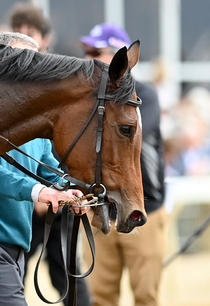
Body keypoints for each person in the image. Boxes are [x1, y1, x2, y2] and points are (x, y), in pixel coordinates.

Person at [0, 31, 88, 306]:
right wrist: (39, 192)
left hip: (14, 248)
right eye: (25, 62)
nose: (34, 71)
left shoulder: (32, 122)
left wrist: (69, 189)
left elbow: (48, 167)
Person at [10, 3, 92, 306]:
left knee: (66, 270)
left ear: (44, 38)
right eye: (16, 31)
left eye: (28, 33)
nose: (22, 38)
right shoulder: (16, 78)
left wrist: (58, 187)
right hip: (24, 193)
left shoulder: (57, 76)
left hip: (58, 187)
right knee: (17, 269)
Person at [80, 23, 166, 306]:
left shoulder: (145, 96)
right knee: (101, 298)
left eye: (96, 51)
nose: (88, 57)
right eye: (86, 51)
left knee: (145, 296)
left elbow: (127, 133)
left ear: (121, 59)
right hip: (101, 211)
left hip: (145, 210)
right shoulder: (85, 100)